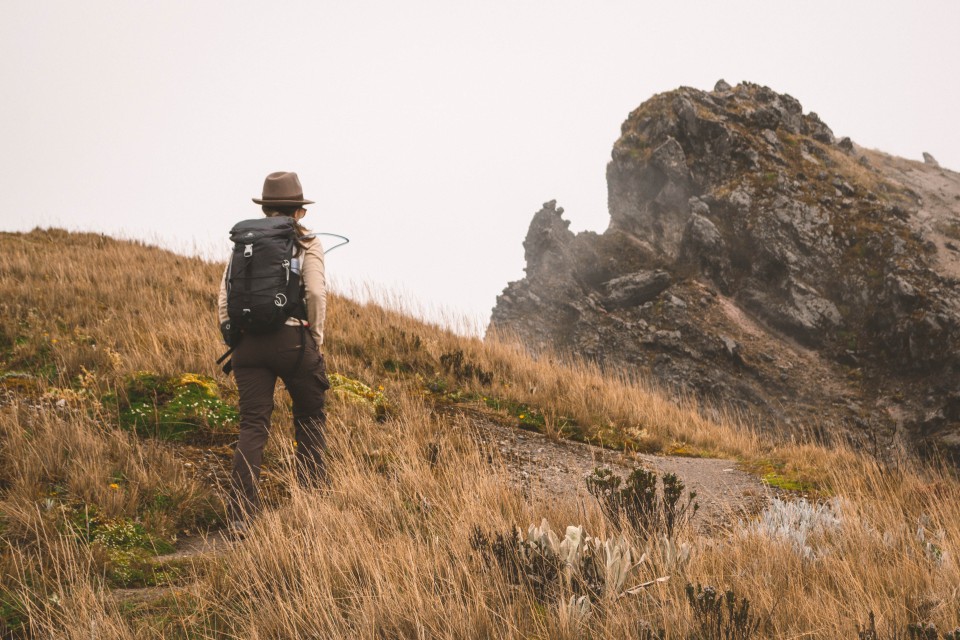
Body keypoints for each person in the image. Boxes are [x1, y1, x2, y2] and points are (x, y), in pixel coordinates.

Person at [217, 171, 329, 524]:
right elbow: (315, 293)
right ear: (300, 211)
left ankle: (240, 516)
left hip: (246, 346)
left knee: (253, 425)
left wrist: (232, 338)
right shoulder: (308, 242)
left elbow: (224, 295)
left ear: (265, 208)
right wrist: (316, 340)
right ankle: (311, 506)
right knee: (310, 417)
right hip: (293, 342)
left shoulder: (244, 242)